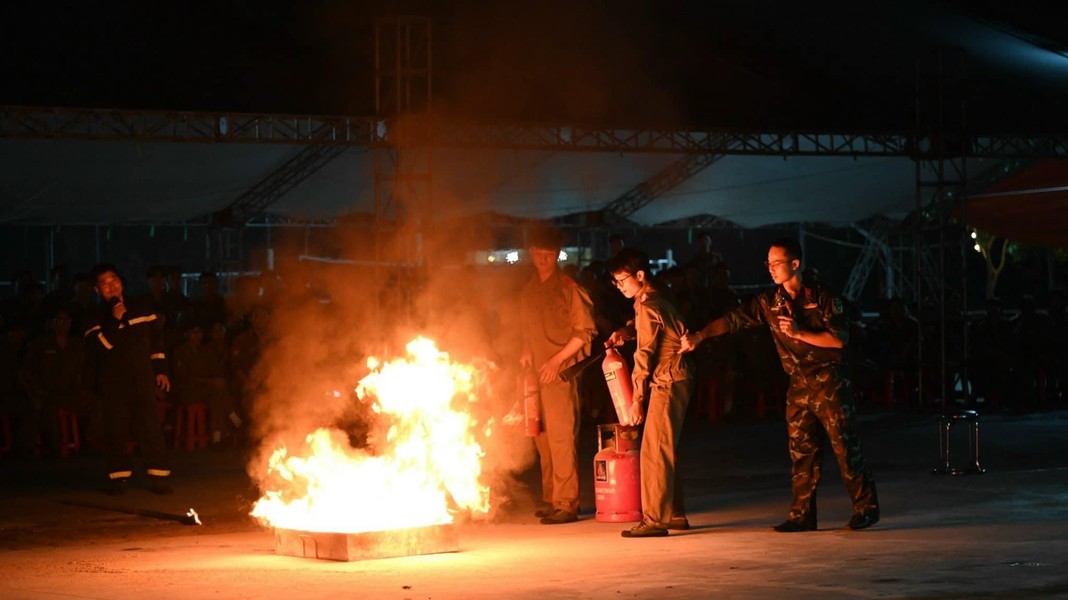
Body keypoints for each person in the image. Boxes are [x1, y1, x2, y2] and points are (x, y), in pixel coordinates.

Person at [680, 238, 880, 532]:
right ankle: (802, 515)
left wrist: (800, 334)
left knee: (844, 447)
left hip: (829, 382)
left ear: (795, 264)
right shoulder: (769, 302)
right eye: (768, 264)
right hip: (798, 385)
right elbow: (735, 320)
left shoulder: (823, 296)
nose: (771, 269)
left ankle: (866, 508)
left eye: (776, 263)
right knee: (801, 452)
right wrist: (700, 336)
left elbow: (838, 340)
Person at [606, 248, 695, 538]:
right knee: (665, 447)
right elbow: (648, 331)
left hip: (667, 380)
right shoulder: (658, 296)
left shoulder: (647, 304)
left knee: (654, 450)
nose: (620, 287)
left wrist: (637, 400)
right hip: (678, 376)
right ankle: (675, 513)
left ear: (640, 276)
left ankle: (655, 519)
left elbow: (644, 356)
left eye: (623, 281)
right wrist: (626, 331)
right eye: (616, 283)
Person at [519, 225, 596, 525]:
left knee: (562, 439)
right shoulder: (529, 290)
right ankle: (552, 498)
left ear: (557, 255)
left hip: (560, 375)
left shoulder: (569, 288)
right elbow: (528, 328)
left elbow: (585, 332)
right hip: (536, 376)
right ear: (530, 254)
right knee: (542, 438)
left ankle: (567, 503)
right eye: (538, 253)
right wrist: (526, 349)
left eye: (548, 254)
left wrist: (557, 361)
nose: (543, 258)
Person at [84, 263, 173, 495]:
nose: (111, 286)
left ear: (121, 282)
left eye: (114, 280)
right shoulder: (95, 315)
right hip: (113, 383)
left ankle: (159, 476)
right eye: (104, 283)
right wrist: (115, 320)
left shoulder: (142, 306)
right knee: (115, 430)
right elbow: (100, 349)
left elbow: (156, 341)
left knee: (150, 428)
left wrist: (160, 369)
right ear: (97, 290)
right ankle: (119, 478)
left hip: (142, 378)